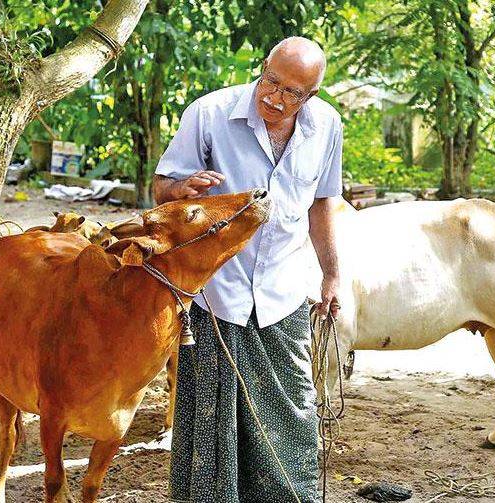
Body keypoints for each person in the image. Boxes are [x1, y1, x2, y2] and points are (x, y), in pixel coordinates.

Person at [154, 36, 342, 503]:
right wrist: (182, 189)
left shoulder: (327, 126)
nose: (274, 98)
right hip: (216, 292)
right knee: (210, 420)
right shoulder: (209, 113)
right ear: (262, 68)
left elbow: (322, 204)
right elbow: (162, 187)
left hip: (284, 290)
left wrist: (332, 274)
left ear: (311, 95)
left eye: (291, 93)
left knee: (293, 408)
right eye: (270, 82)